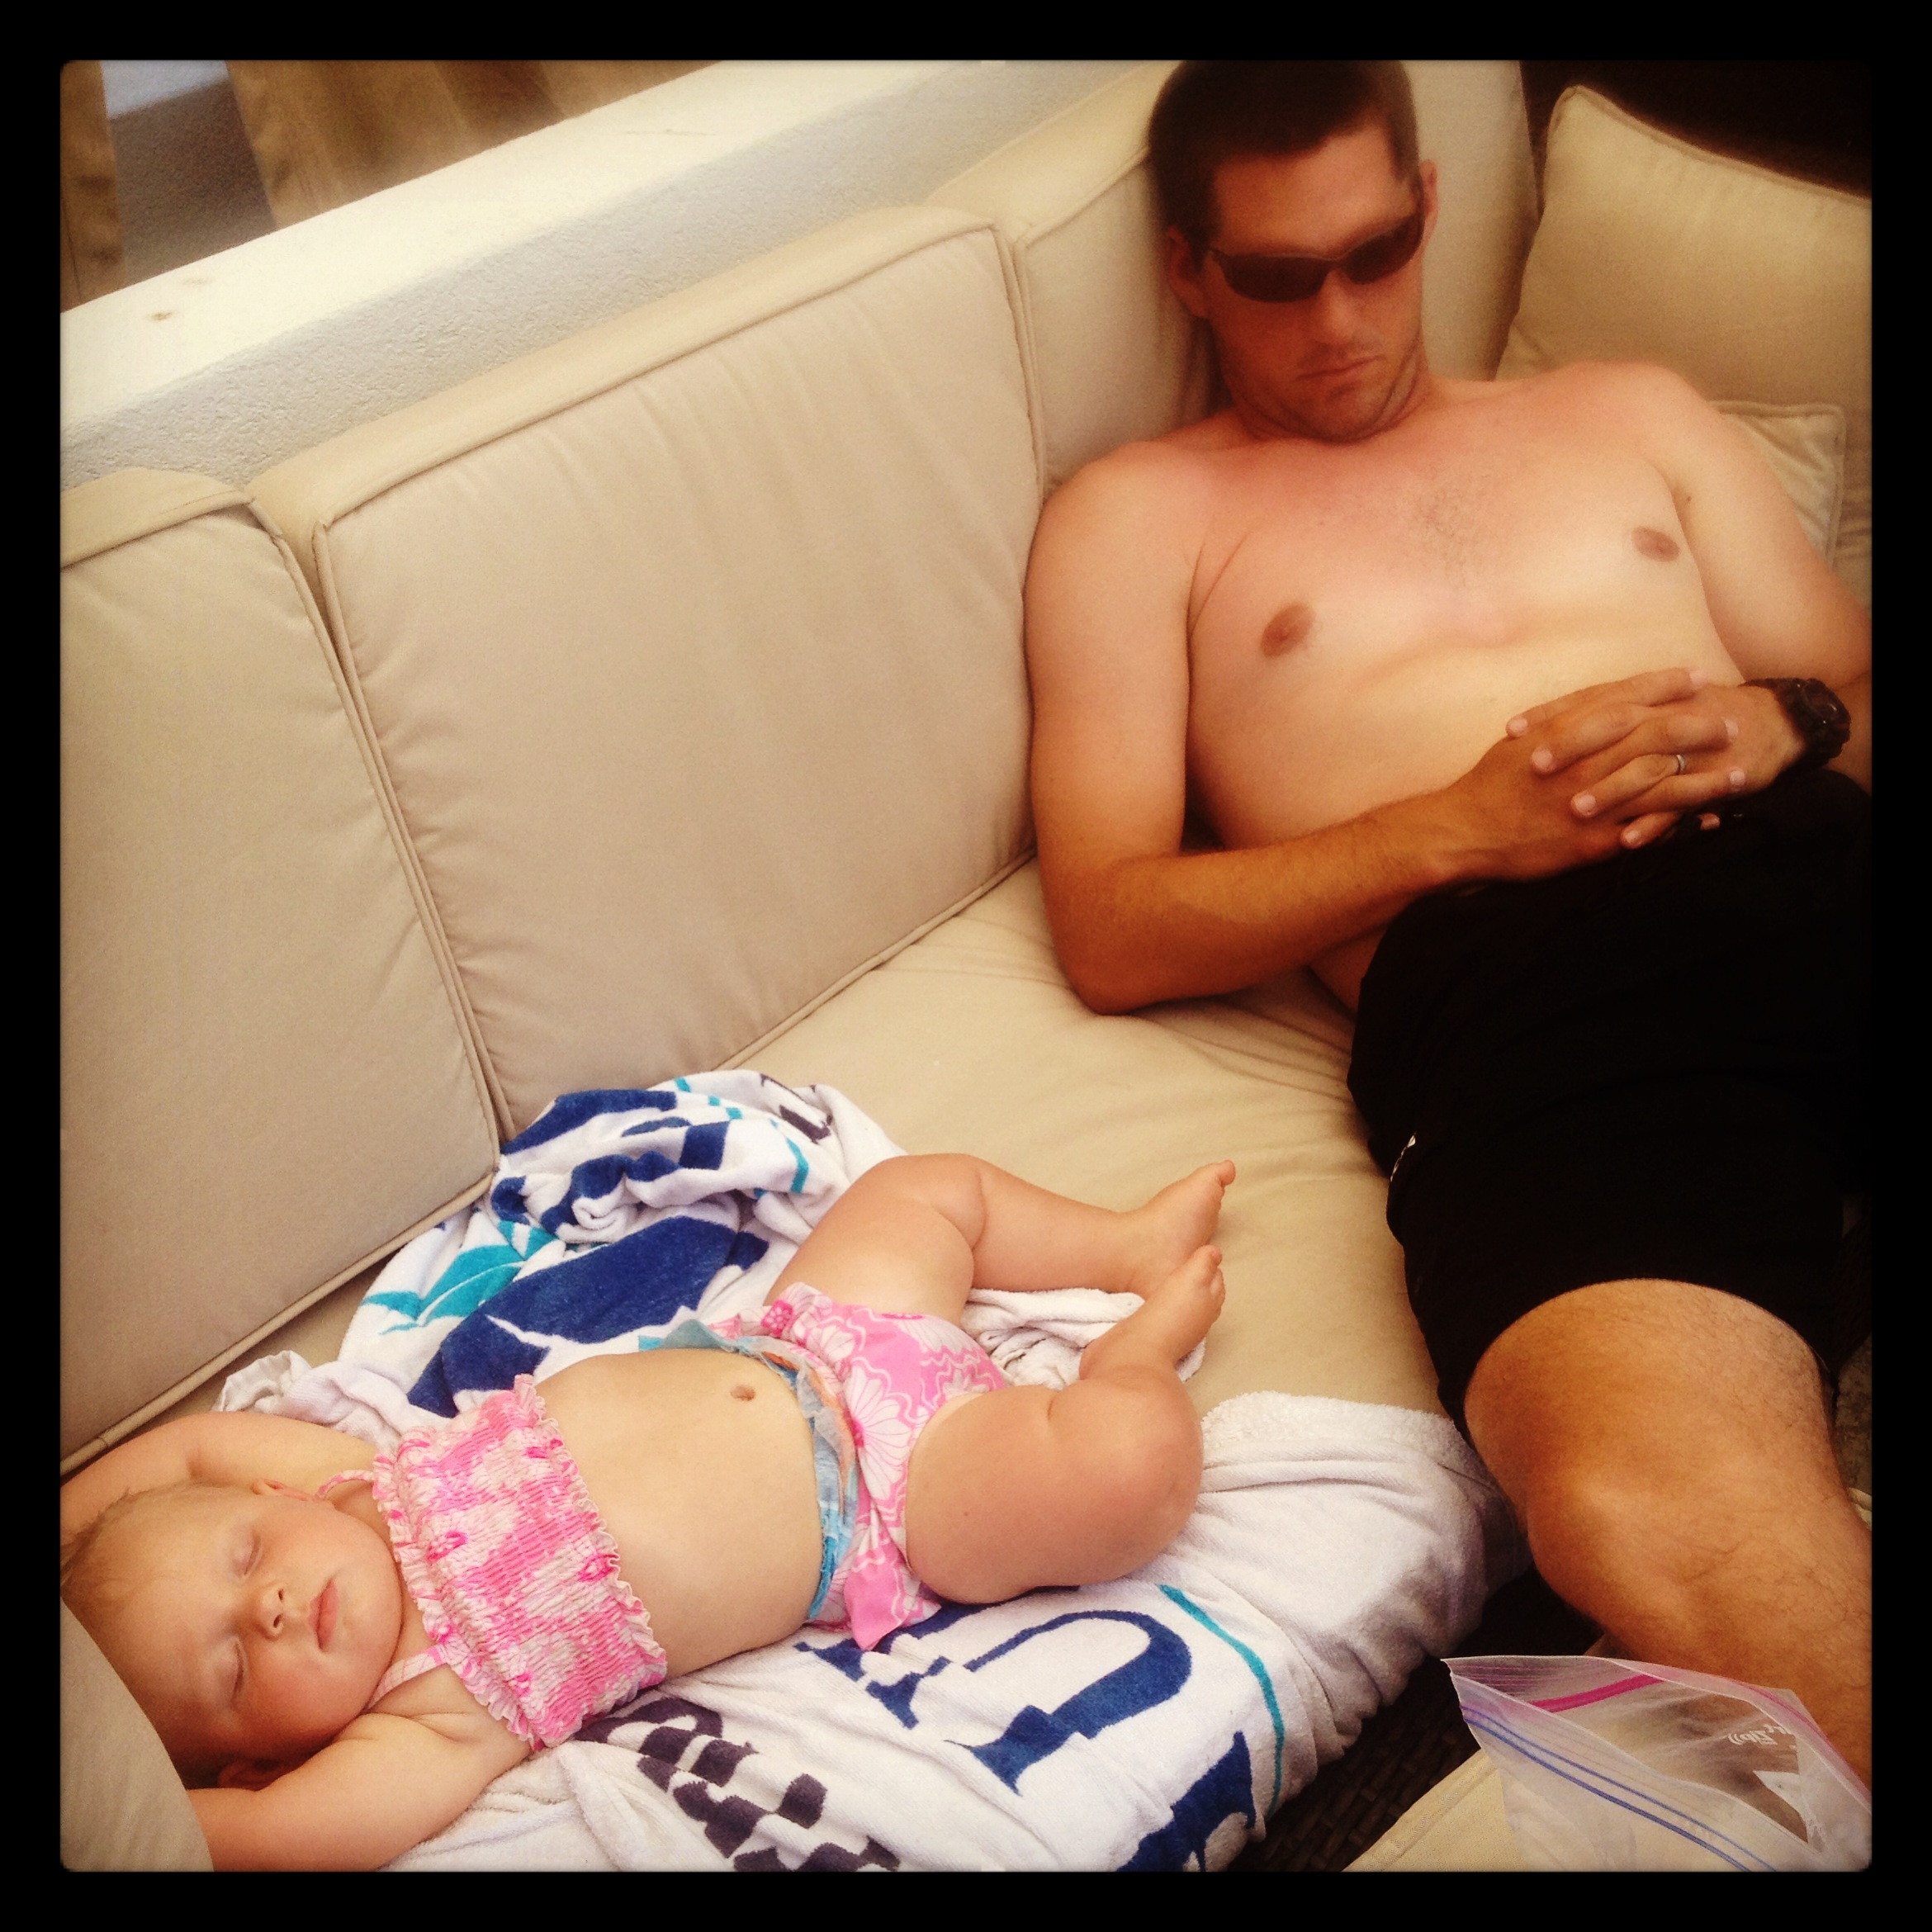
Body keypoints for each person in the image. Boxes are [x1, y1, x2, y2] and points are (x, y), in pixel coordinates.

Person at [1023, 62, 1870, 1783]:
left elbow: (1849, 678)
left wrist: (1794, 717)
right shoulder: (1138, 518)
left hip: (1813, 849)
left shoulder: (1631, 409)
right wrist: (1453, 828)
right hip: (1530, 990)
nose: (1339, 321)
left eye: (1376, 253)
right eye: (1276, 277)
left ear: (1427, 204)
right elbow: (1110, 923)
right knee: (1637, 1507)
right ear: (1189, 271)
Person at [59, 1153, 1234, 1869]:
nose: (265, 1607)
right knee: (1127, 1477)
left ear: (268, 1496)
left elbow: (189, 1448)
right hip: (903, 1497)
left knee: (925, 1190)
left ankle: (1120, 1243)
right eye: (231, 1668)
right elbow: (238, 1843)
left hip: (810, 1338)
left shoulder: (358, 1475)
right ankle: (1130, 1362)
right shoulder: (425, 1724)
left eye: (244, 1555)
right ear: (254, 1766)